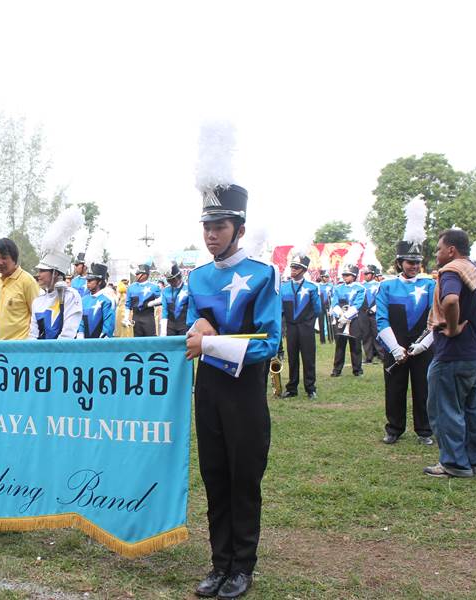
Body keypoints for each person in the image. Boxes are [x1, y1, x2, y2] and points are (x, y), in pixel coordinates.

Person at [186, 174, 281, 598]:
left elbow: (268, 344)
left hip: (244, 392)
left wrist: (209, 342)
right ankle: (219, 562)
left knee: (244, 478)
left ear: (239, 229)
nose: (211, 234)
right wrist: (199, 332)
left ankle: (242, 566)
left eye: (220, 226)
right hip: (208, 389)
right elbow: (193, 329)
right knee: (214, 475)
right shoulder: (197, 277)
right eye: (207, 226)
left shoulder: (263, 275)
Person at [424, 229, 476, 478]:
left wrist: (451, 327)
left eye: (439, 249)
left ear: (451, 250)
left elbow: (450, 300)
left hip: (455, 353)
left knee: (446, 408)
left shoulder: (452, 270)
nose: (437, 254)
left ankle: (455, 464)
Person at [375, 204, 436, 445]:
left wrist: (424, 344)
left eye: (417, 262)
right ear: (399, 262)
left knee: (424, 389)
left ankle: (425, 430)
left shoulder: (430, 285)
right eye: (409, 262)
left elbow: (436, 319)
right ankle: (394, 428)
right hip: (395, 345)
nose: (414, 266)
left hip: (423, 346)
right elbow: (381, 319)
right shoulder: (387, 286)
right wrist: (395, 347)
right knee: (394, 388)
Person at [281, 254, 321, 398]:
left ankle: (310, 388)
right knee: (292, 358)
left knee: (308, 358)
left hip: (306, 327)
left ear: (303, 270)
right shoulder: (284, 287)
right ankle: (292, 388)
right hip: (291, 327)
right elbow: (280, 309)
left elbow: (317, 309)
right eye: (292, 266)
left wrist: (307, 322)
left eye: (296, 267)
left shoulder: (311, 287)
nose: (293, 269)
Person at [0, 238, 41, 341]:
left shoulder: (27, 281)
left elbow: (37, 315)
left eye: (4, 258)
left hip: (19, 345)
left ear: (14, 259)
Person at [330, 264, 366, 376]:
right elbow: (334, 303)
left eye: (347, 275)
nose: (344, 277)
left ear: (354, 276)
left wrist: (347, 316)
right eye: (344, 275)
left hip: (354, 319)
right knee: (340, 345)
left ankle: (357, 369)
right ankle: (337, 370)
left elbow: (358, 304)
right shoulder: (338, 288)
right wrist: (341, 315)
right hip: (341, 319)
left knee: (355, 345)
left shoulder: (360, 288)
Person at [78, 262, 115, 338]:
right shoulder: (83, 299)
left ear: (100, 282)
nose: (88, 282)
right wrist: (80, 333)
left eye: (91, 280)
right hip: (84, 341)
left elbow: (108, 324)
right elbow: (81, 320)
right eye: (87, 280)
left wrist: (103, 338)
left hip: (100, 341)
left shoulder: (107, 300)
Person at [125, 265, 161, 337]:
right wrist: (126, 318)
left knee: (150, 339)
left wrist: (151, 303)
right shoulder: (131, 287)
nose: (136, 275)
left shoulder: (153, 287)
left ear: (145, 275)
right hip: (136, 316)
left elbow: (162, 299)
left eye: (138, 274)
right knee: (137, 339)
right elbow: (127, 305)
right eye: (136, 274)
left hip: (148, 316)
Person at [360, 265, 384, 364]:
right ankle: (368, 356)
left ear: (373, 274)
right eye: (364, 274)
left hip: (375, 312)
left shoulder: (379, 285)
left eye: (367, 273)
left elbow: (381, 299)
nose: (365, 275)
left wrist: (374, 309)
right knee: (365, 334)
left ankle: (382, 355)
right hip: (364, 312)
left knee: (377, 334)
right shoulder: (361, 285)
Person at [160, 262, 189, 336]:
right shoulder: (165, 291)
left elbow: (192, 309)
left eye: (173, 280)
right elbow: (165, 310)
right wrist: (163, 330)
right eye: (169, 281)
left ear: (179, 277)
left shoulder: (188, 288)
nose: (171, 283)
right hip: (170, 326)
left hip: (185, 325)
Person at [317, 272, 333, 343]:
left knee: (329, 322)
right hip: (320, 305)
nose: (327, 278)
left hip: (328, 305)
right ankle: (322, 340)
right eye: (325, 277)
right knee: (321, 323)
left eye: (328, 277)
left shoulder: (330, 285)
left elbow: (333, 295)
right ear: (321, 277)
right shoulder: (318, 286)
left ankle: (331, 338)